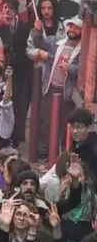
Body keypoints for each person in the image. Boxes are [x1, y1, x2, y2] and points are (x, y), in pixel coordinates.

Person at [30, 16, 81, 160]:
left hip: (67, 94)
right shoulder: (58, 42)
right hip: (50, 88)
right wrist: (37, 31)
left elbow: (82, 70)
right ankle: (45, 155)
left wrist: (69, 68)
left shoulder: (83, 49)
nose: (72, 30)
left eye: (76, 27)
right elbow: (41, 43)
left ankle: (63, 156)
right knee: (46, 123)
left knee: (65, 126)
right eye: (70, 26)